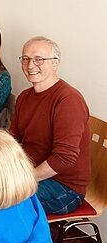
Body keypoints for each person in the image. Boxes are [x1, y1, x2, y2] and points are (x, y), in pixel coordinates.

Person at [10, 36, 90, 215]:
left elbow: (64, 158)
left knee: (1, 197)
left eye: (39, 59)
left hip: (64, 187)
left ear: (55, 63)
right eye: (26, 59)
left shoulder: (68, 100)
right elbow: (13, 139)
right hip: (31, 171)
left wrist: (23, 179)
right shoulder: (24, 96)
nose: (30, 65)